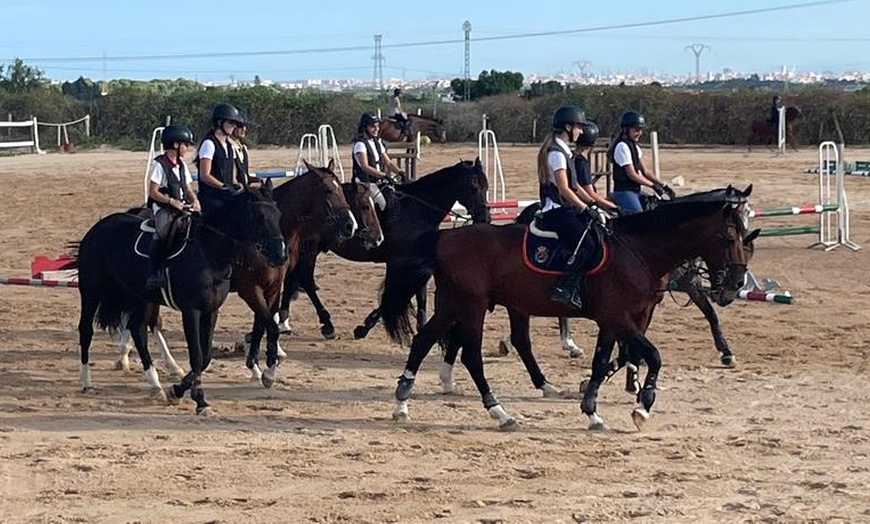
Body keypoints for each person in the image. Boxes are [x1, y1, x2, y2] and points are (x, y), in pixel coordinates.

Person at [537, 105, 606, 310]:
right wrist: (585, 208)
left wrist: (595, 204)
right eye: (578, 127)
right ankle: (565, 287)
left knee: (598, 234)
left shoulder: (564, 152)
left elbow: (577, 188)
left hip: (567, 208)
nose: (581, 131)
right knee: (588, 244)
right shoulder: (557, 154)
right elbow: (565, 190)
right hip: (556, 210)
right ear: (567, 127)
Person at [146, 124, 200, 289]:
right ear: (176, 145)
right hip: (164, 208)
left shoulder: (182, 165)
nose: (187, 148)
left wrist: (195, 201)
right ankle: (156, 273)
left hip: (182, 206)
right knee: (163, 232)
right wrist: (170, 201)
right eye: (185, 145)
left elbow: (188, 188)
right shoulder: (160, 165)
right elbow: (153, 192)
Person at [608, 110, 673, 214]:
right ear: (626, 129)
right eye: (636, 130)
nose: (640, 133)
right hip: (624, 191)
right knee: (638, 216)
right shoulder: (622, 147)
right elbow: (632, 174)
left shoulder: (635, 147)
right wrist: (652, 185)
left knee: (654, 207)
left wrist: (663, 185)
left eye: (641, 130)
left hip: (635, 190)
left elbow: (645, 172)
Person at [195, 103, 243, 217]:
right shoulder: (209, 144)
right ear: (220, 123)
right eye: (230, 123)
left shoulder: (230, 146)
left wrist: (237, 185)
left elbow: (231, 176)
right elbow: (205, 175)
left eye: (235, 123)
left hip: (226, 195)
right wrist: (224, 187)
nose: (234, 126)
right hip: (211, 197)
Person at [351, 112, 404, 211]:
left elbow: (388, 162)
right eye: (372, 127)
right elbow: (365, 167)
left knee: (396, 197)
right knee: (383, 204)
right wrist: (384, 175)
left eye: (377, 126)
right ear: (365, 128)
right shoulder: (360, 145)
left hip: (377, 181)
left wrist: (400, 173)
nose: (376, 129)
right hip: (365, 183)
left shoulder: (377, 142)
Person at [574, 121, 619, 213]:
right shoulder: (581, 163)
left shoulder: (573, 158)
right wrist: (613, 207)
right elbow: (590, 194)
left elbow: (582, 185)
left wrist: (594, 179)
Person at [229, 109, 261, 189]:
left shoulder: (243, 147)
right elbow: (232, 179)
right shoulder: (228, 147)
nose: (244, 129)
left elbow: (244, 174)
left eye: (245, 126)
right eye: (240, 126)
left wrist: (255, 180)